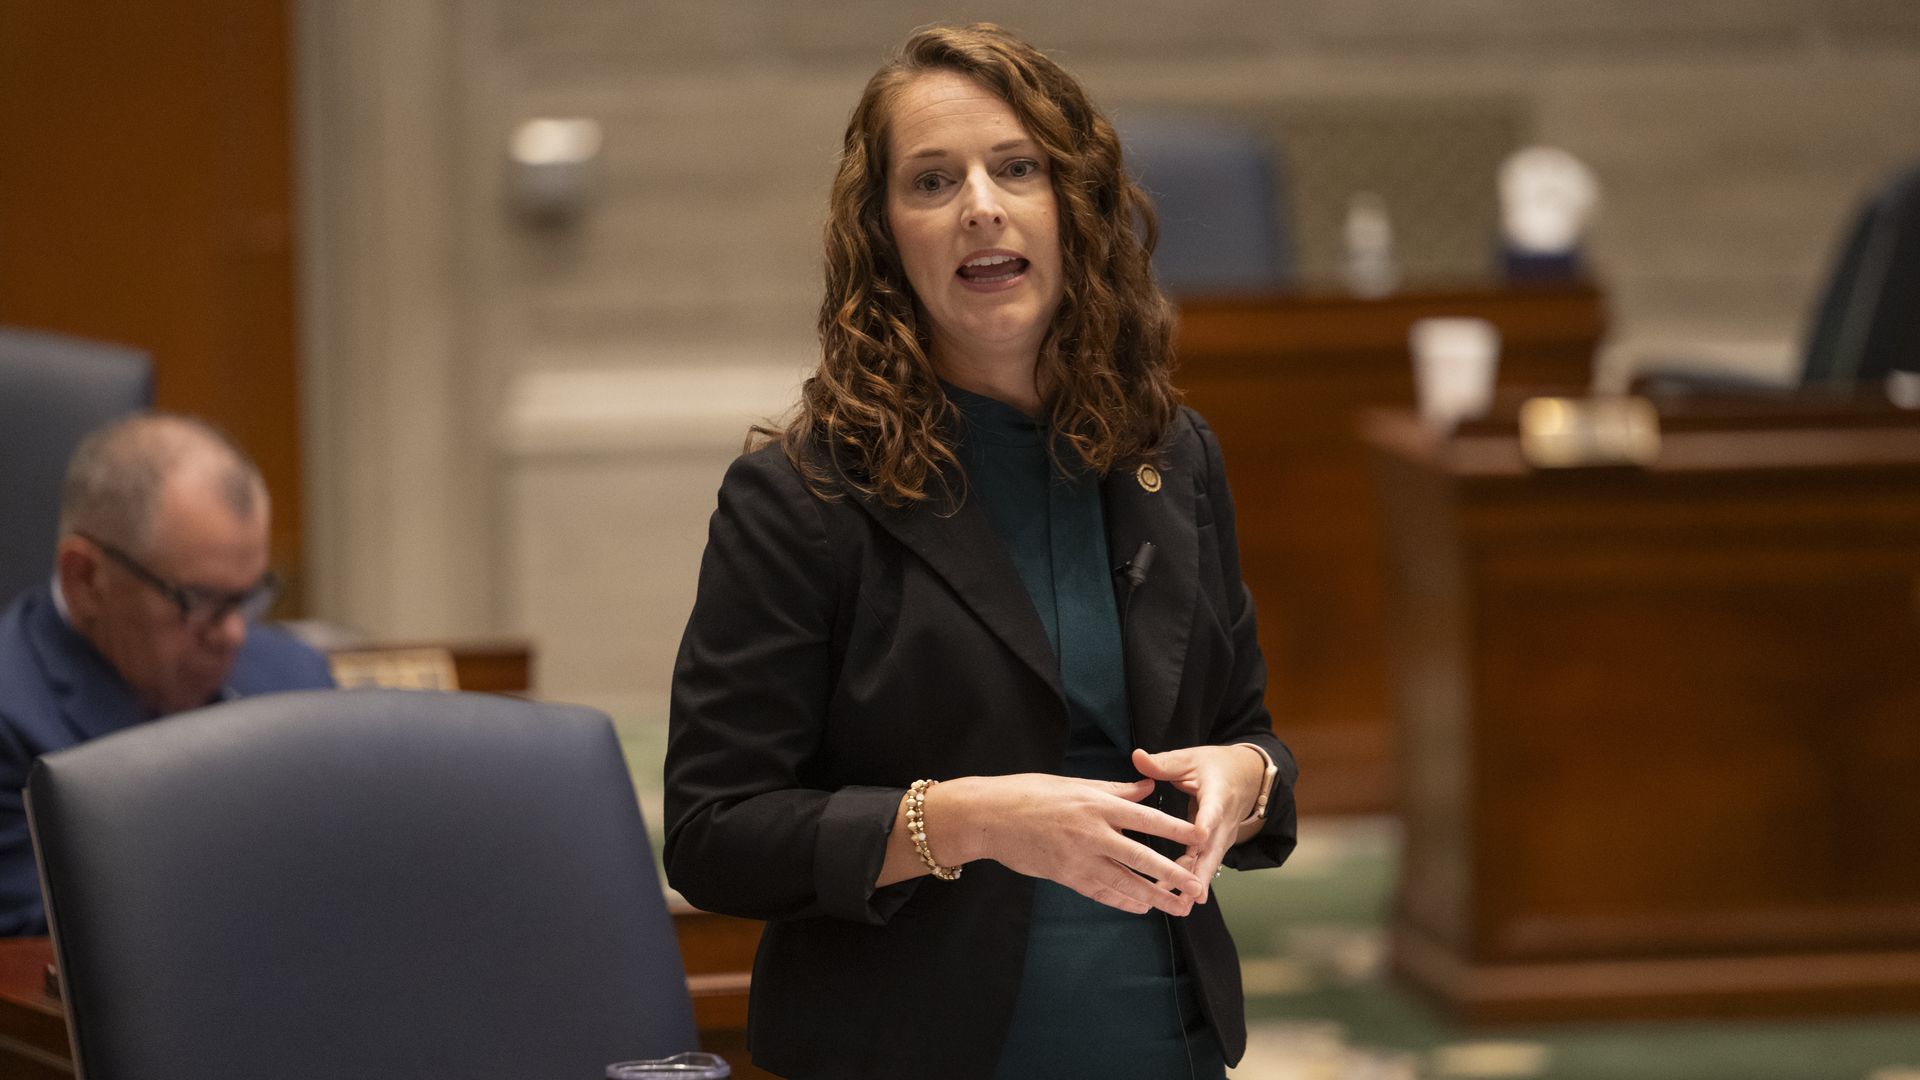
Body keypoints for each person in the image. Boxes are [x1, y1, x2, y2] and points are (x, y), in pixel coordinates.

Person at [664, 23, 1297, 1080]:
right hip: (916, 1049)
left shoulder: (1168, 459)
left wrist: (1247, 777)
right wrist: (959, 821)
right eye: (931, 181)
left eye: (1018, 169)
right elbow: (715, 831)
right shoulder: (800, 499)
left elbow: (1250, 738)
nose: (981, 206)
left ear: (1076, 210)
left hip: (1160, 1043)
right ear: (885, 237)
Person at [0, 413, 335, 935]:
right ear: (86, 579)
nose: (233, 635)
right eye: (199, 600)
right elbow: (38, 944)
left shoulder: (297, 681)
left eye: (247, 597)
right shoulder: (10, 717)